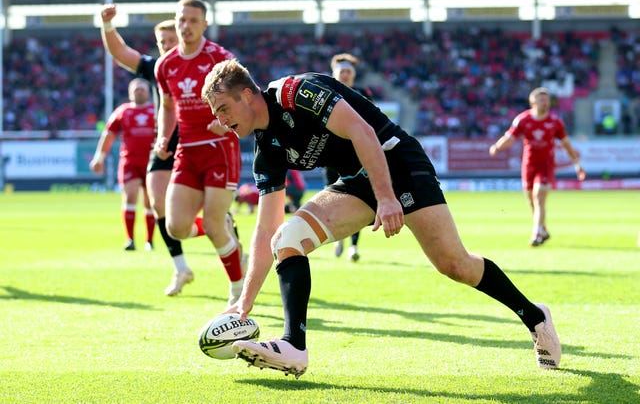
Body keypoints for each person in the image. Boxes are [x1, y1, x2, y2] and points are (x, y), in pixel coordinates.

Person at [201, 59, 562, 378]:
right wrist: (244, 304)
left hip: (398, 162)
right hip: (358, 181)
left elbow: (362, 130)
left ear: (247, 95)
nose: (220, 120)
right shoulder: (266, 150)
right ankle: (294, 345)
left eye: (222, 108)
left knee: (455, 265)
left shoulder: (297, 92)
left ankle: (535, 317)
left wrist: (388, 198)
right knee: (285, 239)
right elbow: (266, 228)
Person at [100, 3, 208, 296]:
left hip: (197, 142)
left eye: (170, 40)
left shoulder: (202, 62)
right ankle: (181, 266)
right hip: (163, 143)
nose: (166, 46)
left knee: (200, 215)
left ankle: (220, 230)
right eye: (162, 42)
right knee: (161, 207)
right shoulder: (156, 67)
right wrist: (108, 25)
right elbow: (121, 53)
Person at [154, 0, 245, 306]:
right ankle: (224, 227)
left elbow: (245, 96)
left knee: (212, 225)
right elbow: (167, 106)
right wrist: (163, 137)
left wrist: (227, 121)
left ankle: (237, 292)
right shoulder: (165, 65)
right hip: (186, 153)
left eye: (193, 21)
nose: (186, 26)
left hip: (219, 149)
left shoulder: (220, 59)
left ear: (205, 24)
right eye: (182, 20)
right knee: (175, 227)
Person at [489, 87, 586, 246]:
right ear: (533, 102)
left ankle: (536, 233)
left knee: (539, 196)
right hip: (528, 164)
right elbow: (510, 137)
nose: (545, 104)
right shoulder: (523, 119)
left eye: (547, 101)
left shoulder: (555, 122)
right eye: (542, 100)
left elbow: (567, 144)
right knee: (531, 201)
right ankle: (543, 229)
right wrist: (497, 147)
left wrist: (577, 165)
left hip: (546, 164)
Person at [90, 78, 156, 251]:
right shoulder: (123, 111)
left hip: (152, 162)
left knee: (150, 202)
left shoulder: (156, 109)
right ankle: (130, 239)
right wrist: (99, 156)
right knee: (130, 197)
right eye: (136, 90)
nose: (139, 92)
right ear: (130, 93)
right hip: (130, 162)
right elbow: (109, 134)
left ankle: (150, 240)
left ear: (148, 92)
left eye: (142, 89)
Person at [326, 53, 374, 262]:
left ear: (353, 75)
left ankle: (353, 246)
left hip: (356, 155)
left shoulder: (363, 94)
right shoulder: (326, 93)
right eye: (341, 71)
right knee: (333, 199)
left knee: (357, 200)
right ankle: (338, 237)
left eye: (348, 71)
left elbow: (372, 120)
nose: (345, 75)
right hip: (331, 155)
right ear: (334, 74)